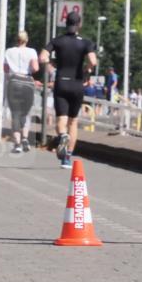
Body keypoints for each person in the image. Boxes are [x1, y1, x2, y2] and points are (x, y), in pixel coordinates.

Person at [40, 11, 97, 168]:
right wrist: (87, 69)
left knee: (61, 120)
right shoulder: (85, 43)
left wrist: (51, 67)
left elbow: (42, 57)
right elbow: (93, 60)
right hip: (77, 84)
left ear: (65, 23)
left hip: (61, 82)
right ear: (79, 24)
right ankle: (67, 158)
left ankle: (62, 136)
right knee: (73, 122)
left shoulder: (57, 41)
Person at [3, 30, 39, 153]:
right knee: (26, 112)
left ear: (16, 39)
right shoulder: (32, 51)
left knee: (15, 113)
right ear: (26, 40)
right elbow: (35, 68)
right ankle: (25, 138)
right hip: (27, 81)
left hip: (14, 81)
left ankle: (17, 143)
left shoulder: (8, 51)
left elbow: (6, 69)